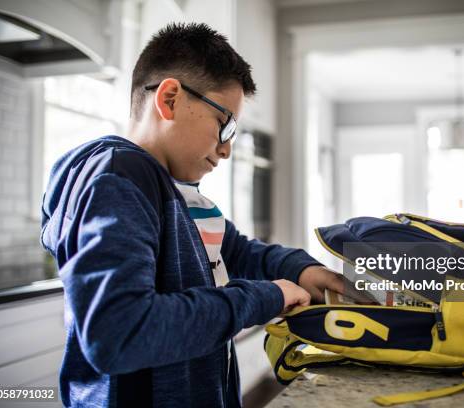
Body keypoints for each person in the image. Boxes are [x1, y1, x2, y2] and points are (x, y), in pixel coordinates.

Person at [40, 22, 344, 408]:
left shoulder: (172, 191)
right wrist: (264, 297)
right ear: (169, 99)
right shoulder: (119, 180)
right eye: (224, 125)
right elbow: (119, 333)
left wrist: (301, 271)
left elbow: (238, 250)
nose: (226, 150)